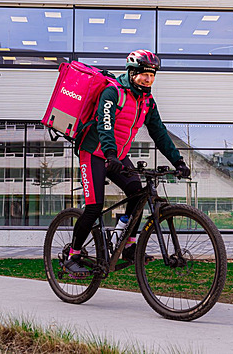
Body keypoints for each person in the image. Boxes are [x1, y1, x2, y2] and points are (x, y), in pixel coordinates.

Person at [63, 49, 191, 277]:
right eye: (144, 74)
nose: (148, 79)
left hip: (117, 154)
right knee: (94, 206)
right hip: (94, 152)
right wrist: (110, 154)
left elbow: (159, 133)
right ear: (132, 72)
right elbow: (105, 125)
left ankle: (127, 245)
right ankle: (72, 255)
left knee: (138, 194)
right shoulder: (112, 92)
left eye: (152, 75)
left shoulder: (147, 102)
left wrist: (178, 160)